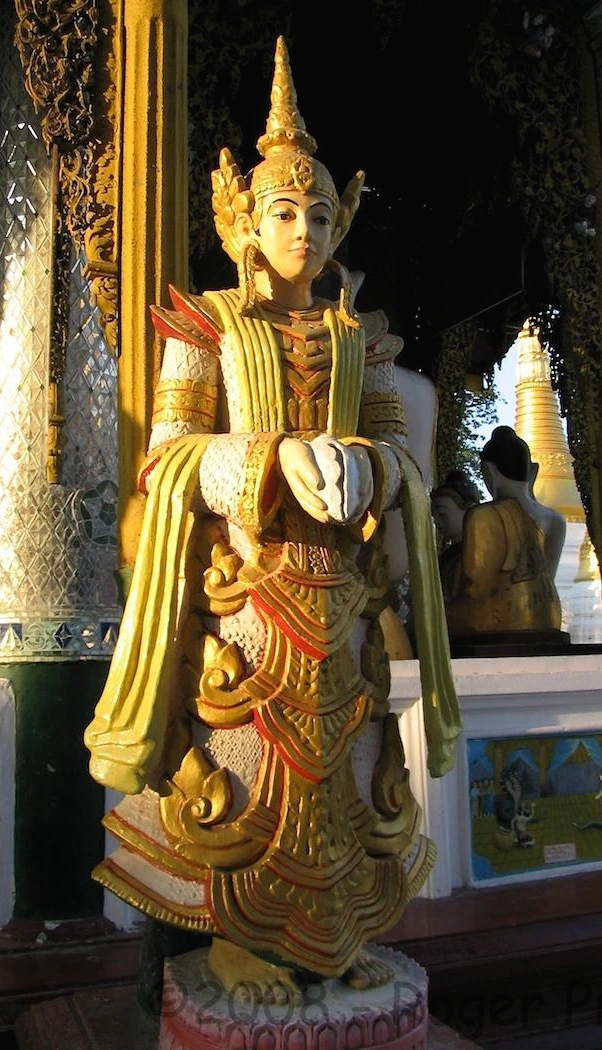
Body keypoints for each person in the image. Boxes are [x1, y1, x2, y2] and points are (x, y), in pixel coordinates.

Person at [84, 37, 460, 1001]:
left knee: (350, 769)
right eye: (285, 212)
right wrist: (268, 456)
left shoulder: (361, 340)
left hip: (342, 599)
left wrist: (368, 466)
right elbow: (168, 456)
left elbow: (407, 463)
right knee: (246, 771)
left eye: (322, 214)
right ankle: (237, 942)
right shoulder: (207, 325)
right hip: (246, 599)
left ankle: (338, 933)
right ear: (245, 223)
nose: (305, 230)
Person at [444, 425, 562, 637]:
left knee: (430, 616)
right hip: (548, 616)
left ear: (489, 471)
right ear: (532, 471)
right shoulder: (555, 520)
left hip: (499, 619)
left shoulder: (482, 515)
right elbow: (547, 578)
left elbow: (475, 586)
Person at [430, 470, 481, 601]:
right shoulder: (450, 555)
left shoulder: (476, 555)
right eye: (434, 515)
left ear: (469, 510)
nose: (436, 521)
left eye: (442, 514)